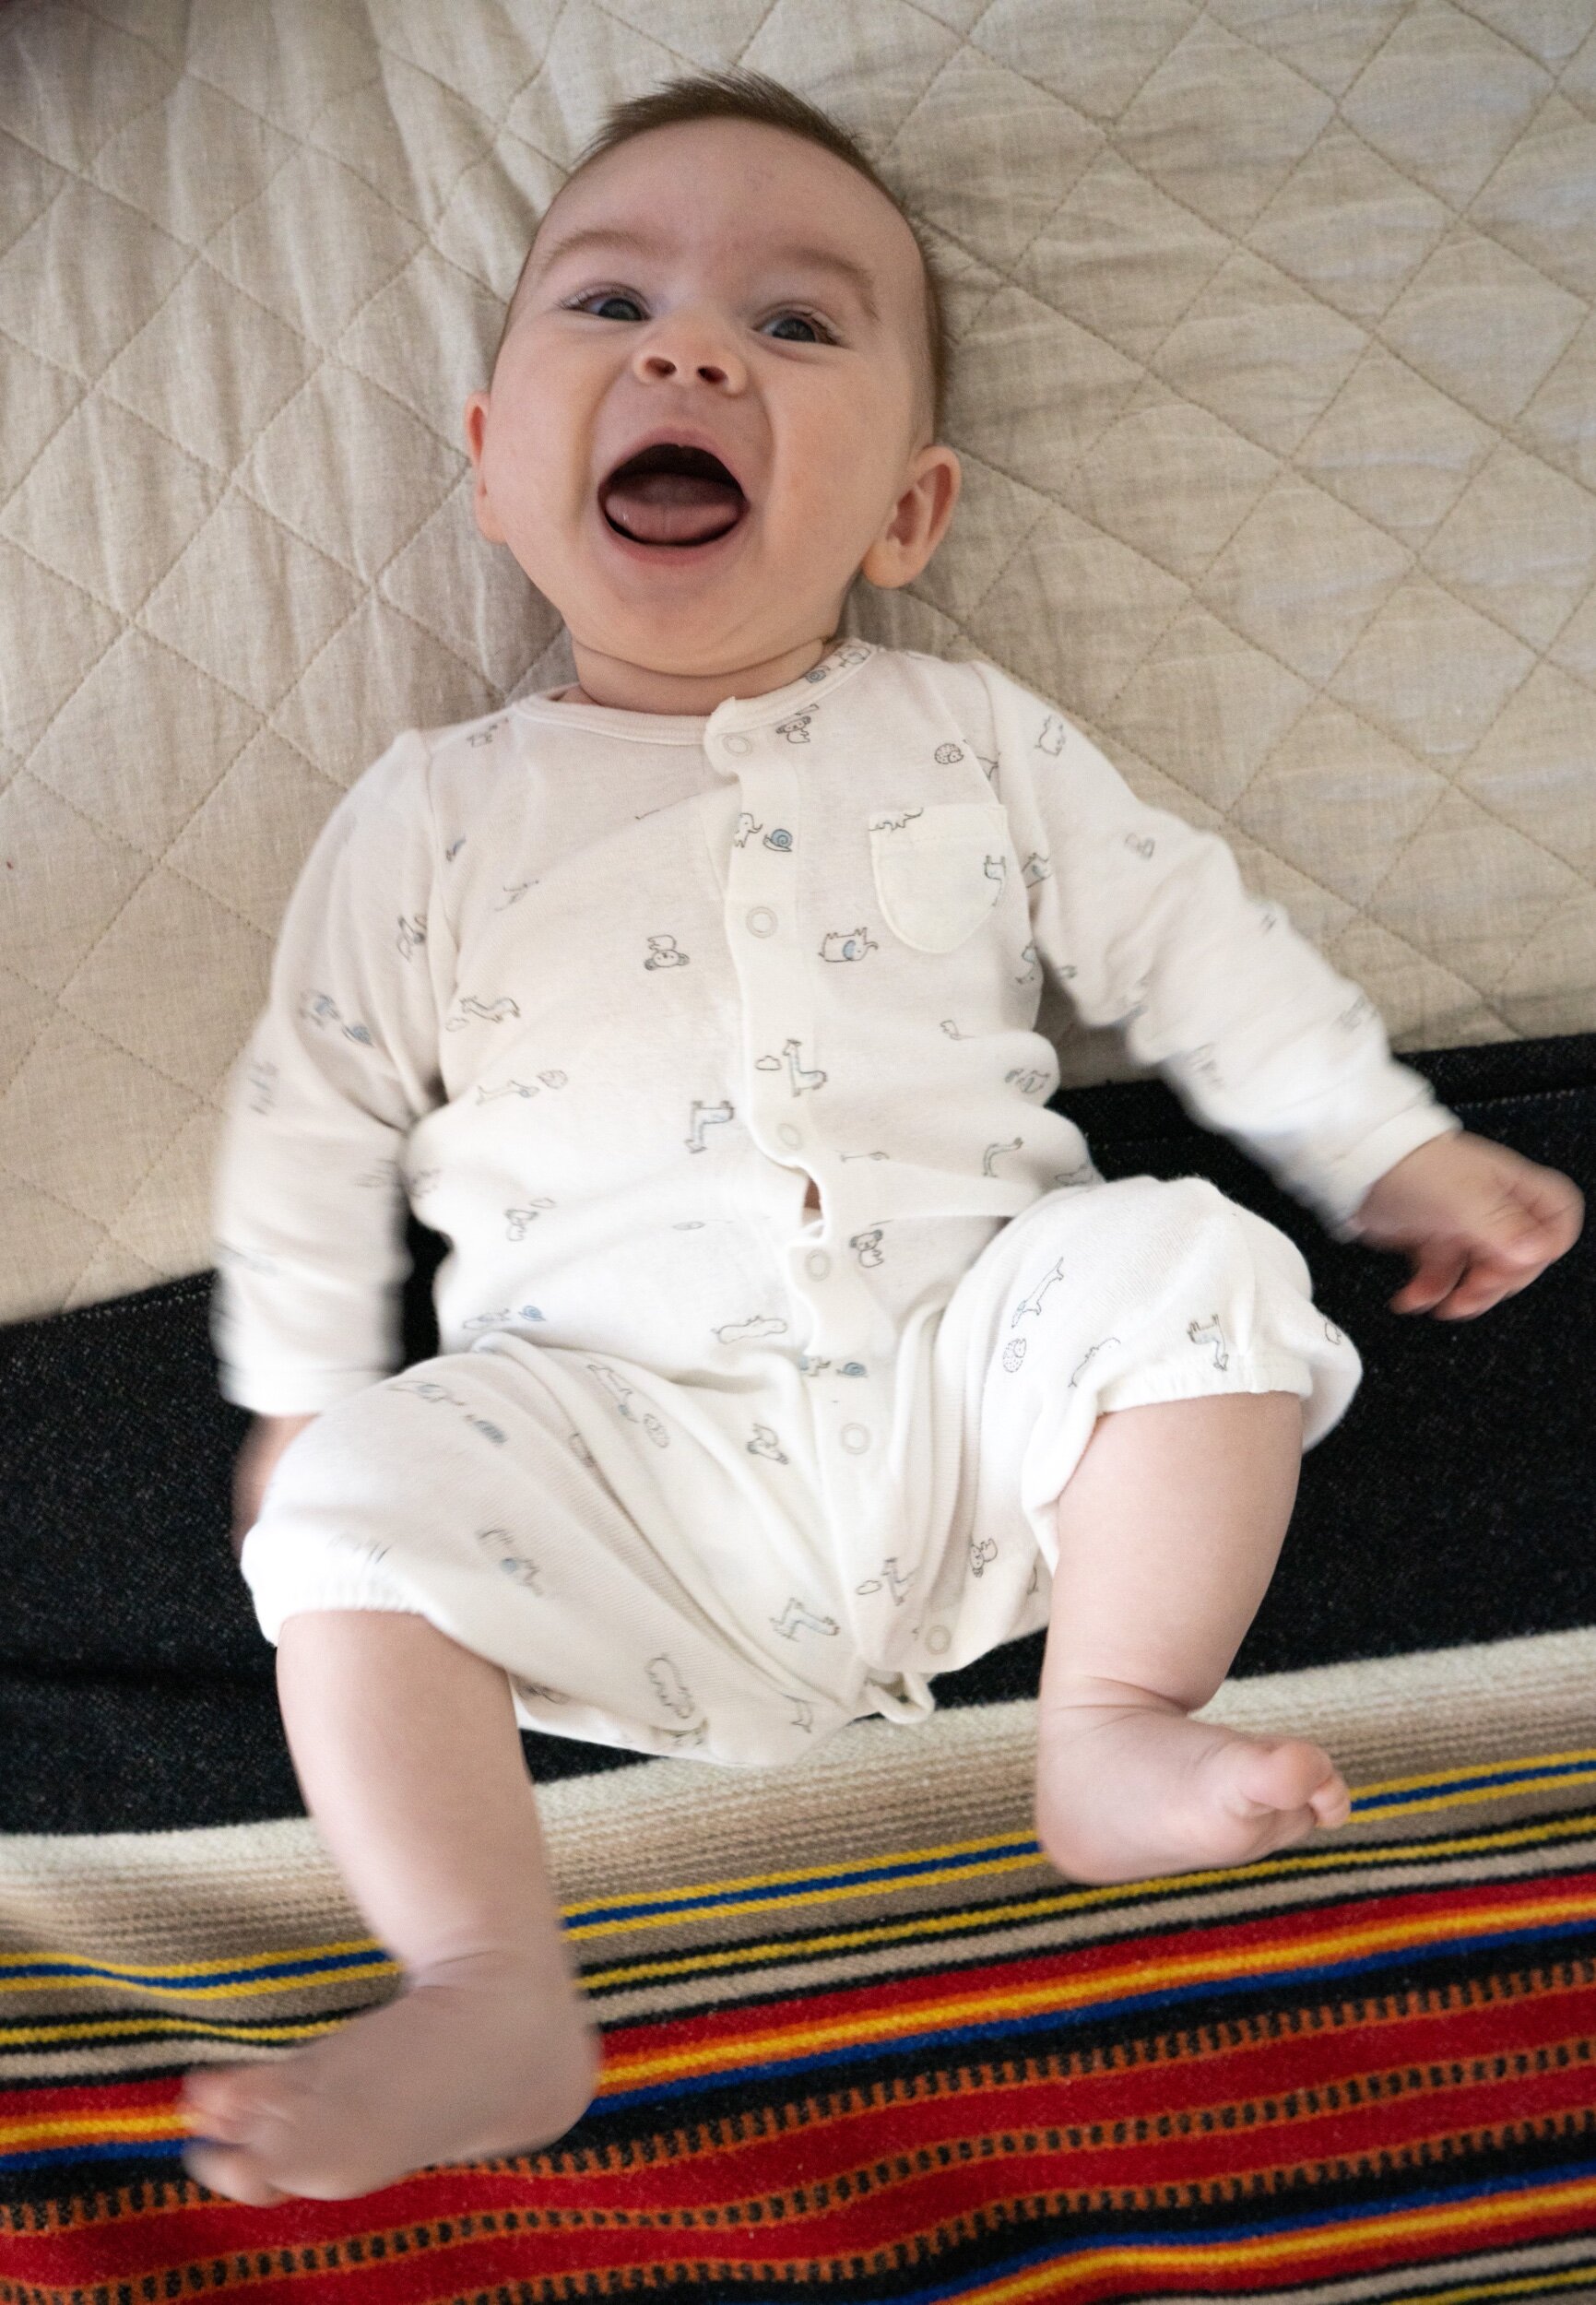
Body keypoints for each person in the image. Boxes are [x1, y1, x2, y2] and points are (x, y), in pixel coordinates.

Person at [181, 71, 1583, 2207]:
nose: (687, 353)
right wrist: (296, 1387)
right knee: (347, 1505)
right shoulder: (433, 811)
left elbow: (1191, 945)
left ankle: (1110, 1716)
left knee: (1190, 1258)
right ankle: (483, 1972)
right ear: (486, 463)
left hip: (976, 1405)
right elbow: (310, 1106)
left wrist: (1378, 1146)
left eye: (793, 323)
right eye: (609, 304)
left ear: (906, 513)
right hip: (605, 1450)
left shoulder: (968, 738)